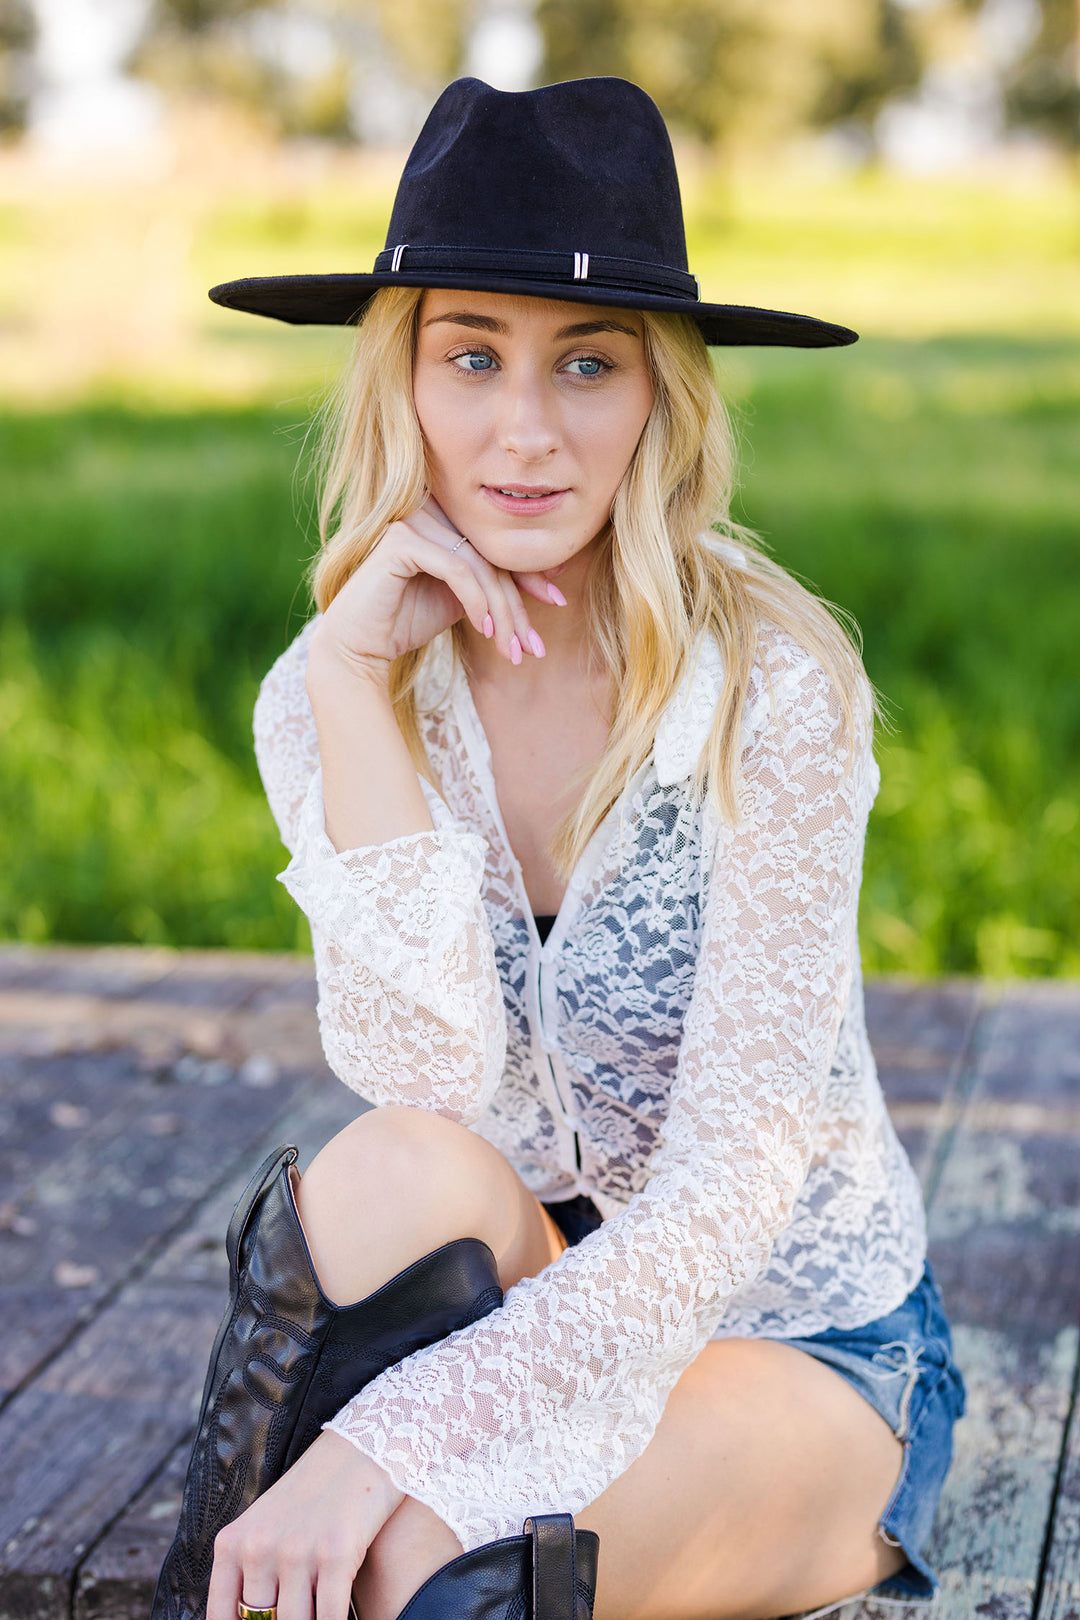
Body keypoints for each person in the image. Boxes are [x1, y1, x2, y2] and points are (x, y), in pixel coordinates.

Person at [154, 75, 965, 1620]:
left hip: (796, 1334)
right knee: (386, 1166)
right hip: (530, 1280)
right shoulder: (324, 685)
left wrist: (374, 1446)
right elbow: (428, 1080)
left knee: (422, 1566)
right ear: (405, 382)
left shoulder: (774, 685)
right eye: (474, 358)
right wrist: (353, 691)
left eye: (587, 364)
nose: (526, 434)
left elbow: (727, 1204)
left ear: (661, 394)